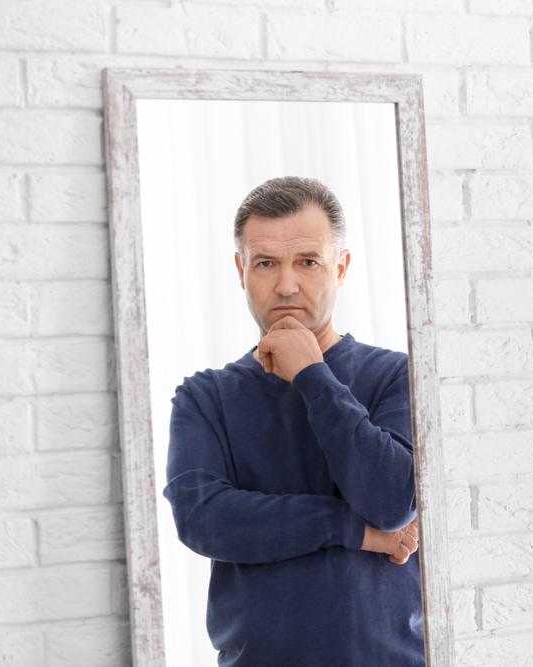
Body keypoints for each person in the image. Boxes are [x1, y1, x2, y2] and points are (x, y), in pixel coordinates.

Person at [163, 176, 424, 666]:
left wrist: (312, 374)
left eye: (308, 262)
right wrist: (357, 531)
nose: (286, 284)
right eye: (266, 263)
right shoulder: (205, 397)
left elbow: (391, 501)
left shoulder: (398, 375)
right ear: (241, 271)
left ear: (341, 268)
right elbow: (204, 520)